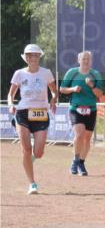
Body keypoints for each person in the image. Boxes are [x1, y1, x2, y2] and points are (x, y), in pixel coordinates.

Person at [8, 44, 58, 194]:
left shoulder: (46, 73)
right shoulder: (19, 74)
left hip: (41, 113)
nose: (33, 58)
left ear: (39, 57)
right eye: (30, 56)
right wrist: (10, 104)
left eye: (36, 55)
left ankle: (32, 155)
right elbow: (11, 94)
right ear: (26, 58)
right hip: (22, 113)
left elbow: (54, 91)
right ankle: (32, 184)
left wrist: (53, 99)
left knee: (39, 152)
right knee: (26, 150)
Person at [59, 50, 105, 176]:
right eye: (83, 59)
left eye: (88, 59)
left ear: (91, 61)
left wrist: (91, 85)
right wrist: (73, 89)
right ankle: (75, 161)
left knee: (87, 139)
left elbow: (99, 94)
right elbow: (62, 89)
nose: (86, 61)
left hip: (91, 109)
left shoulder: (95, 74)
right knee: (79, 134)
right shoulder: (72, 72)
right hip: (76, 108)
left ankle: (81, 163)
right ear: (78, 60)